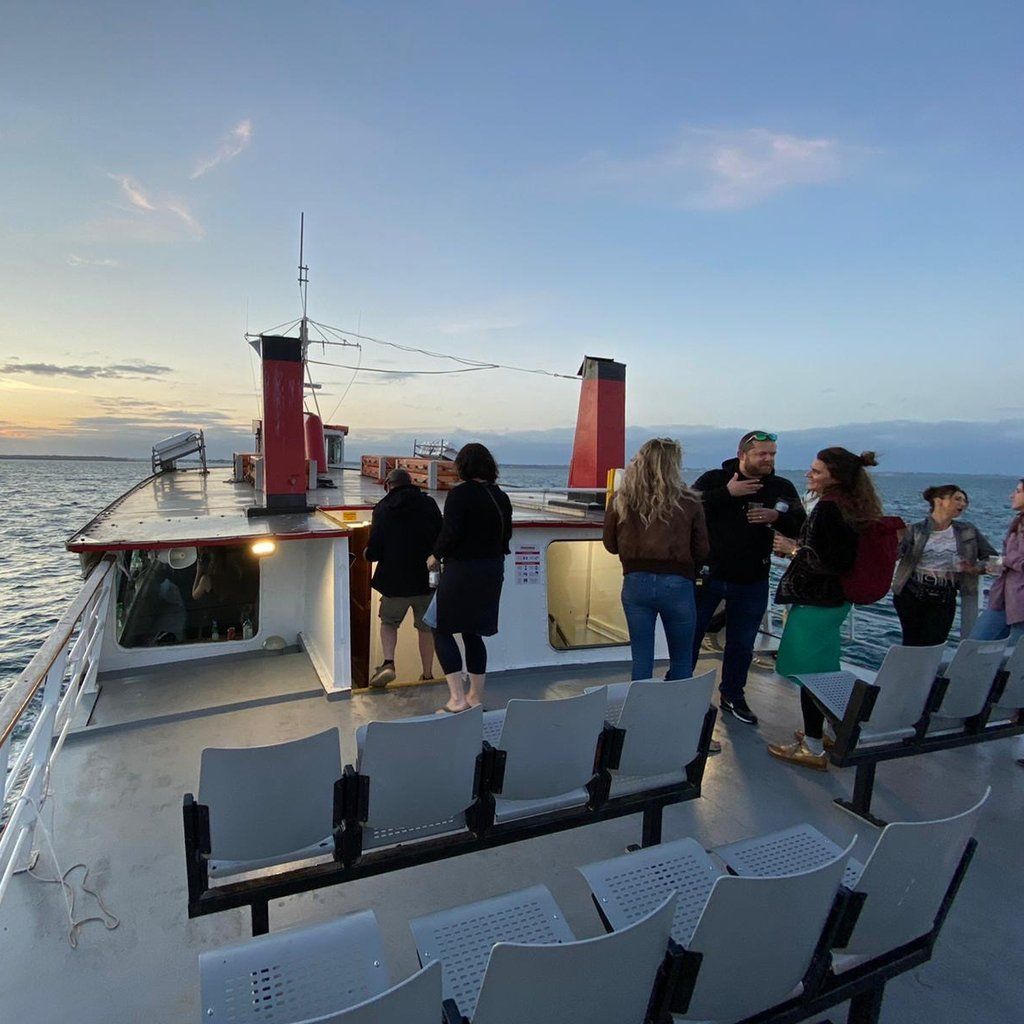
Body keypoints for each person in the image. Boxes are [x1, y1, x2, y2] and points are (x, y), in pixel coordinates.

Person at [768, 448, 883, 770]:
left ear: (835, 477)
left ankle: (813, 746)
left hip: (816, 603)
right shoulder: (850, 506)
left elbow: (832, 561)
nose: (809, 474)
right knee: (825, 670)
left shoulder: (828, 508)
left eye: (816, 471)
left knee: (811, 676)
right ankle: (833, 732)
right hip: (835, 602)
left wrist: (793, 549)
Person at [690, 430, 806, 725]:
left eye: (772, 454)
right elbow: (686, 508)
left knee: (742, 644)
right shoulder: (715, 479)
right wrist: (727, 493)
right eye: (762, 454)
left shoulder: (781, 487)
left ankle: (732, 695)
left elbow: (801, 527)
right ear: (742, 455)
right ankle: (680, 690)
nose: (769, 459)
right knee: (690, 636)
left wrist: (777, 517)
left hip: (752, 579)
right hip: (709, 576)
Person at [603, 438, 709, 683]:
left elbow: (610, 545)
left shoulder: (621, 499)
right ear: (673, 465)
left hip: (635, 583)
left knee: (641, 659)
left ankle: (640, 705)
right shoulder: (690, 501)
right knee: (681, 658)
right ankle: (679, 704)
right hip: (677, 585)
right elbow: (702, 550)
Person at [427, 443, 513, 713]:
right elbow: (506, 536)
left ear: (462, 467)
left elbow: (450, 532)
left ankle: (457, 699)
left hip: (463, 571)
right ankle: (475, 697)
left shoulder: (459, 494)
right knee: (473, 632)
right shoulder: (501, 496)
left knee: (439, 627)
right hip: (492, 571)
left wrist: (435, 555)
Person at [364, 467, 443, 687]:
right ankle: (427, 674)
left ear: (388, 485)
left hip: (394, 582)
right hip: (428, 580)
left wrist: (367, 553)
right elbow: (442, 536)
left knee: (389, 622)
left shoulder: (383, 508)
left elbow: (375, 550)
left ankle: (388, 663)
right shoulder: (429, 504)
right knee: (426, 627)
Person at [892, 485, 996, 646]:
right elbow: (894, 556)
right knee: (912, 643)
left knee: (936, 643)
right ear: (938, 501)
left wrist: (974, 568)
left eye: (965, 501)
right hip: (912, 593)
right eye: (957, 499)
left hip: (945, 595)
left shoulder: (968, 531)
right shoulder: (915, 530)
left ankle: (926, 664)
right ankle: (908, 664)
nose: (963, 504)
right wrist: (897, 539)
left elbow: (992, 558)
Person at [970, 478, 1024, 647]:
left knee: (1013, 655)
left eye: (1018, 491)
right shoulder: (1018, 522)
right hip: (1004, 598)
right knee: (974, 646)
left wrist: (1004, 560)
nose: (1012, 496)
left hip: (1019, 602)